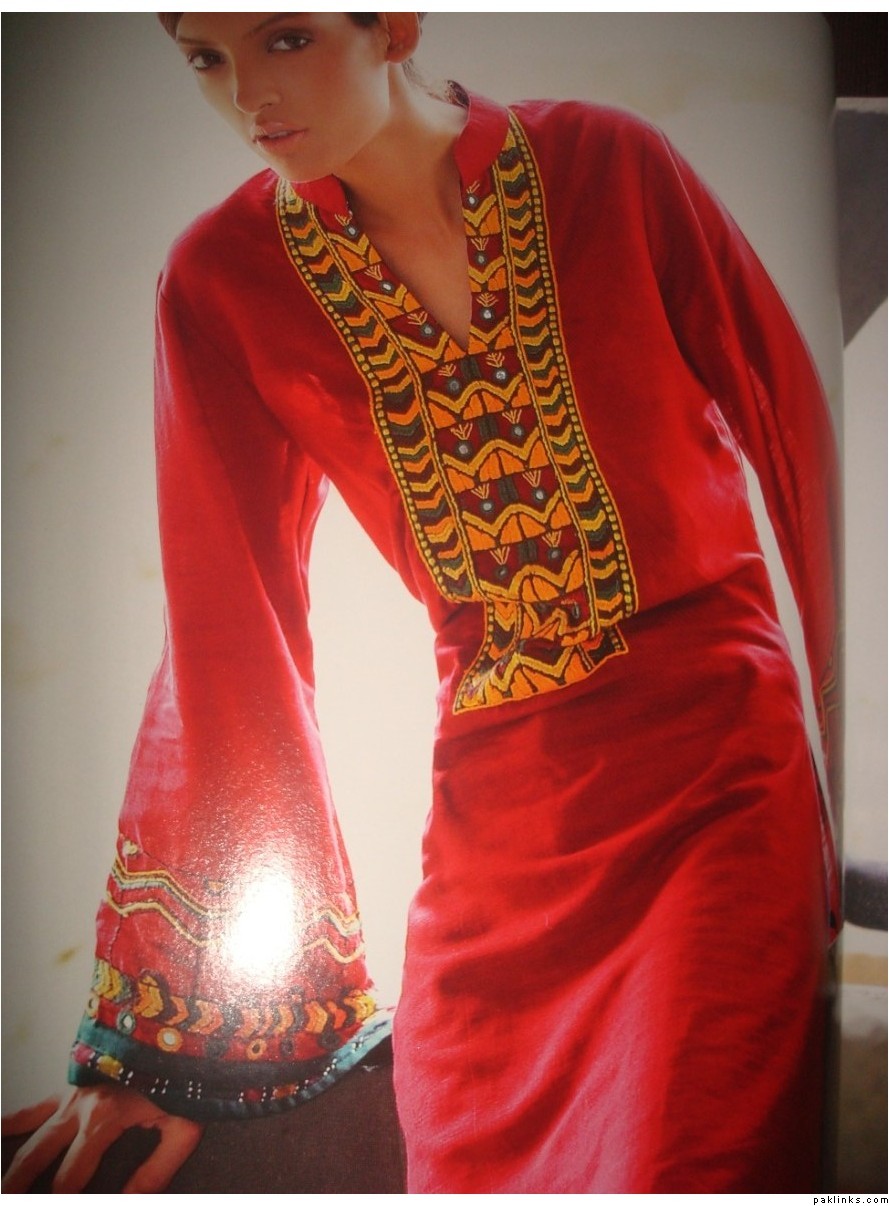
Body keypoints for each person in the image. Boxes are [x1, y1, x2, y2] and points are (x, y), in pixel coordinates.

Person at [2, 12, 841, 1193]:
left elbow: (802, 442)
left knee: (686, 1146)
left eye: (284, 39)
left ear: (391, 23)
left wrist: (851, 773)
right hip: (498, 836)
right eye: (205, 59)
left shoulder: (610, 164)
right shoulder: (221, 279)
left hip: (716, 777)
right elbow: (226, 629)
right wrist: (171, 1042)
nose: (247, 95)